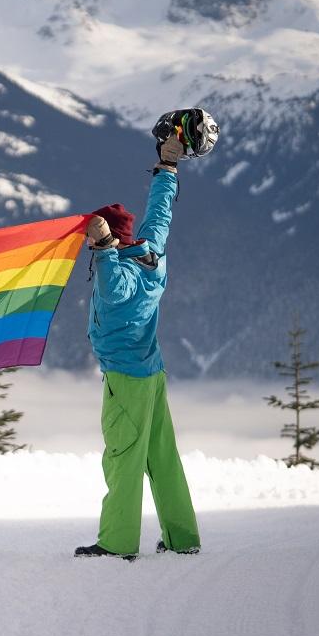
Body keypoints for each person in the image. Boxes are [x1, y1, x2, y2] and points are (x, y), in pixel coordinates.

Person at [75, 130, 201, 561]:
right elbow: (160, 213)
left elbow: (112, 287)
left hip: (126, 380)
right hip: (152, 374)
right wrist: (168, 165)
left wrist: (104, 248)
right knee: (161, 456)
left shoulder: (120, 275)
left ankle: (117, 543)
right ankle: (183, 537)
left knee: (123, 457)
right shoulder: (153, 251)